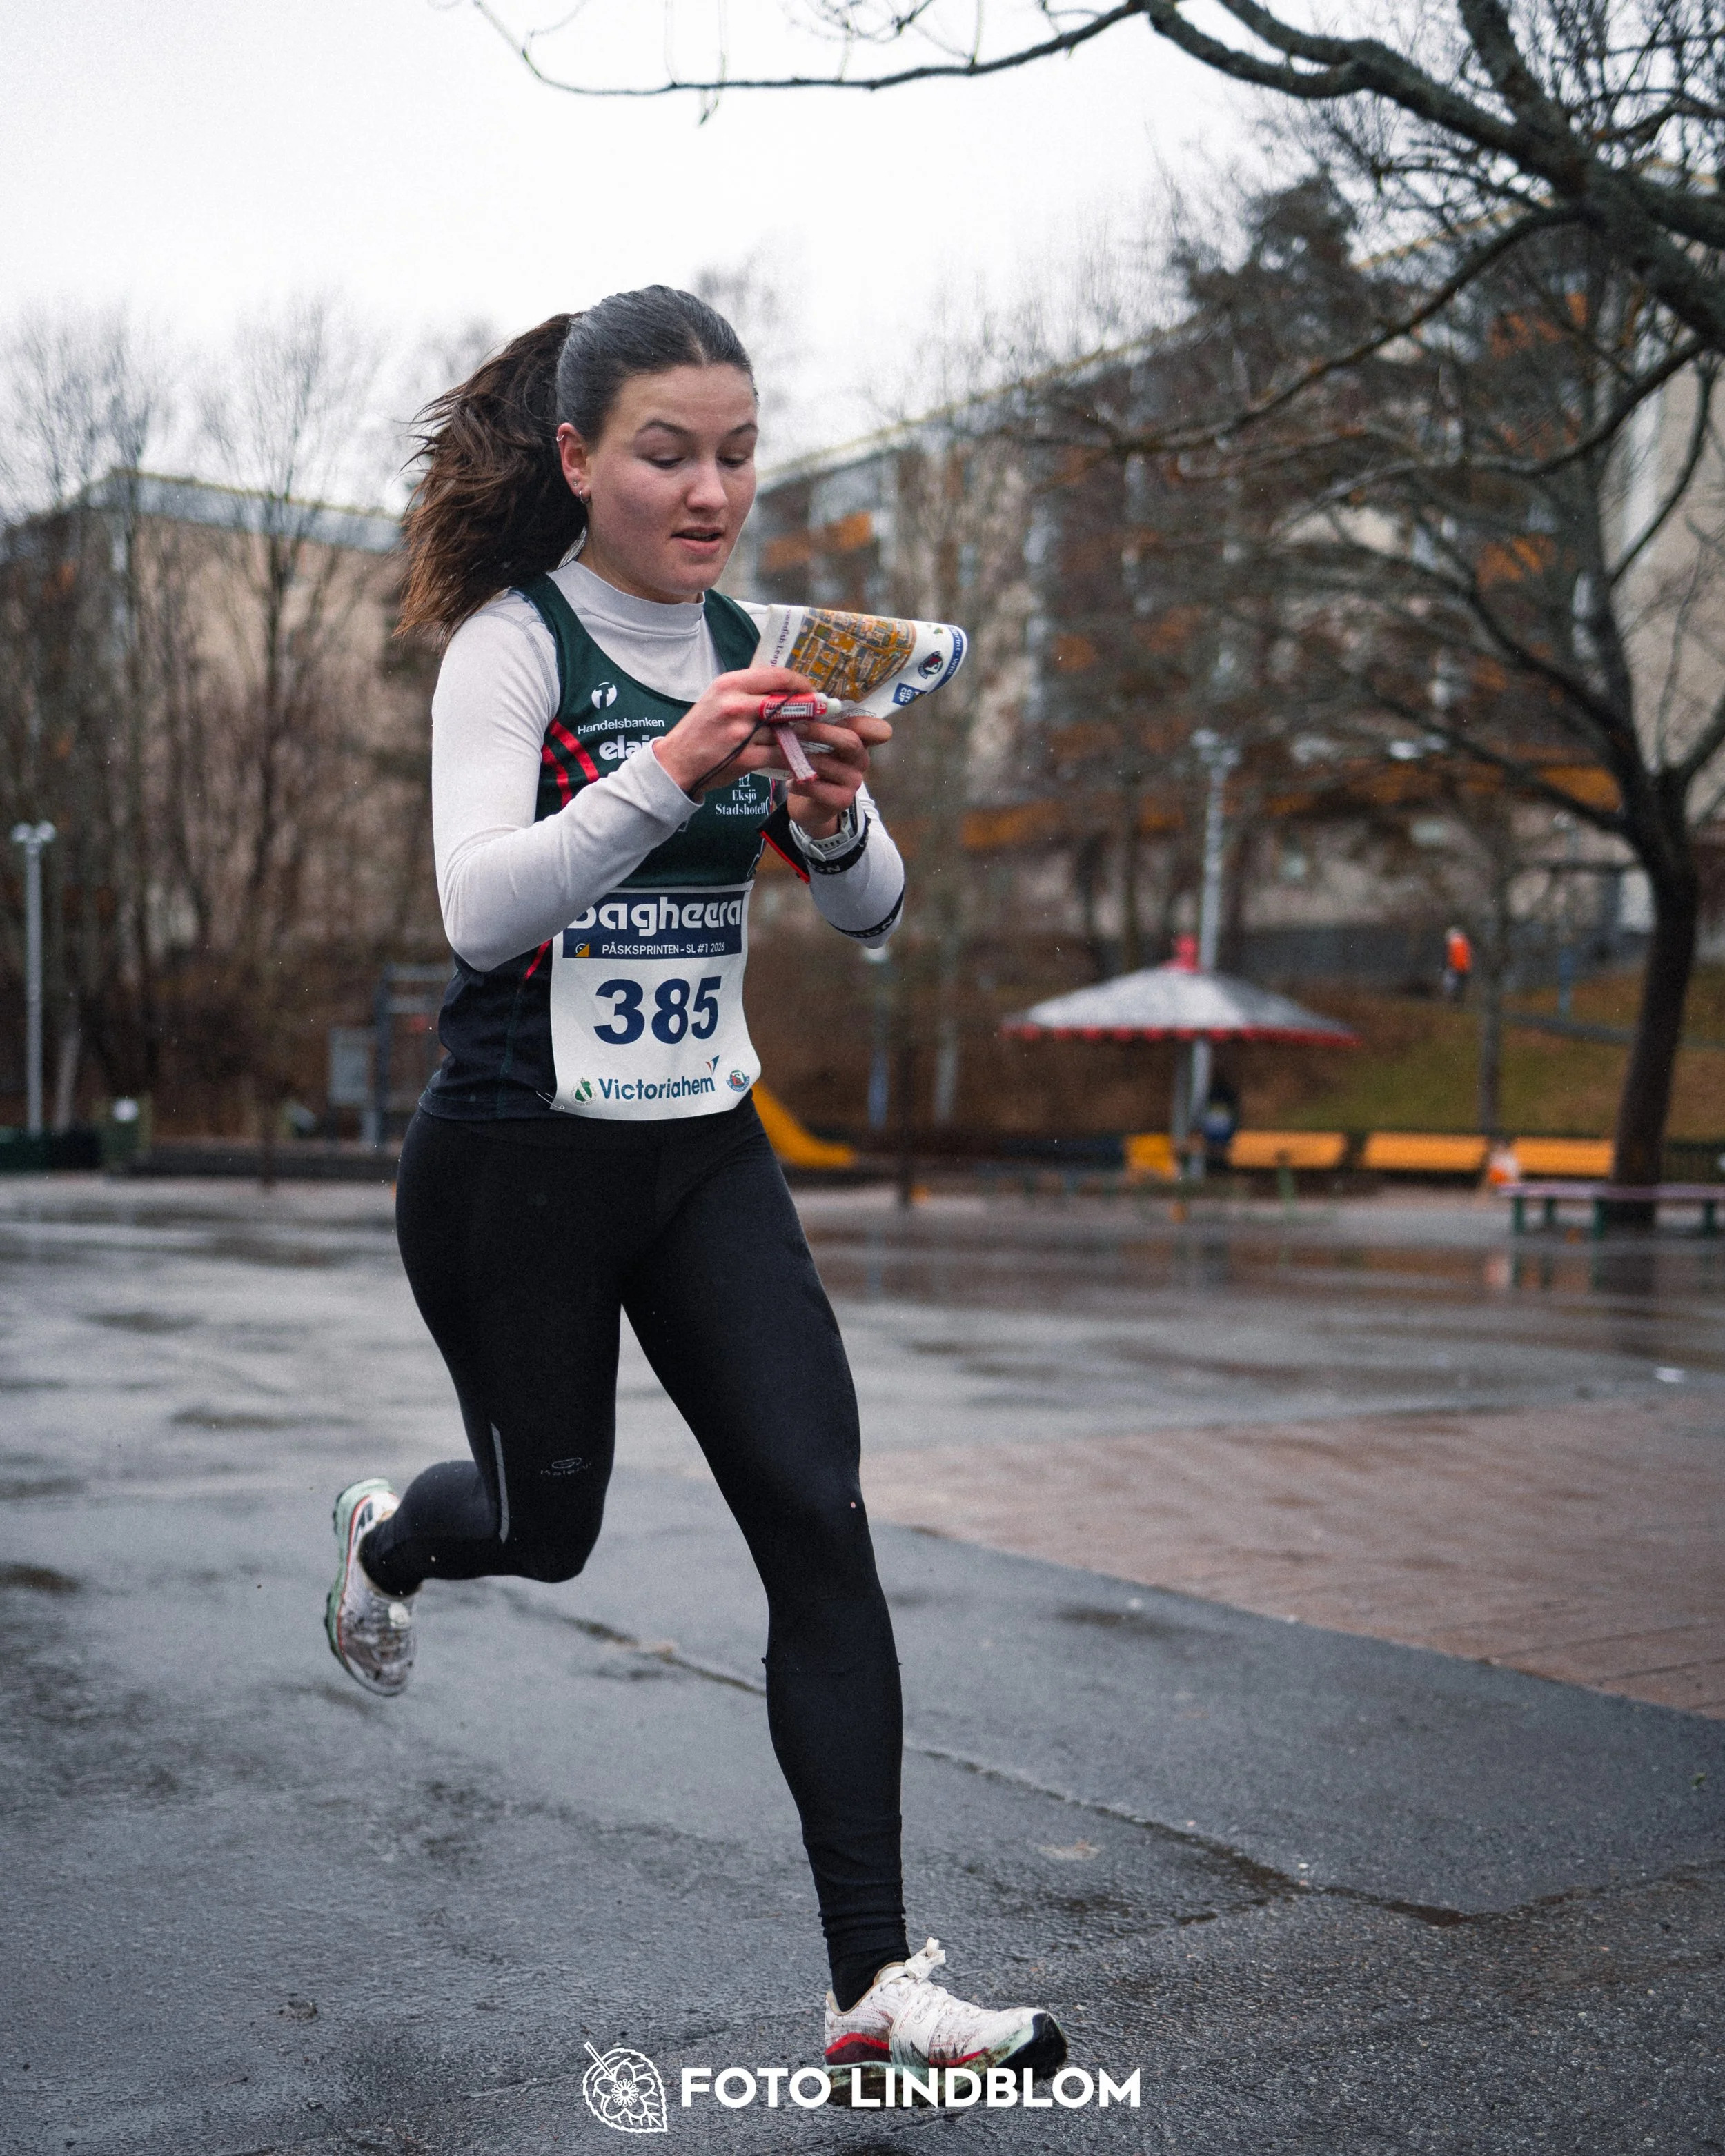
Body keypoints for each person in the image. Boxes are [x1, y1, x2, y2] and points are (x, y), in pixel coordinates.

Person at [322, 288, 1066, 2093]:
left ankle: (875, 1979)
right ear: (578, 460)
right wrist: (671, 768)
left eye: (739, 450)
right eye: (667, 451)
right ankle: (392, 1538)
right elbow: (478, 907)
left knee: (818, 1510)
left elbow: (876, 919)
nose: (712, 487)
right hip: (517, 1154)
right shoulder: (512, 649)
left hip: (701, 1147)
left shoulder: (764, 642)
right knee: (546, 1520)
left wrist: (820, 803)